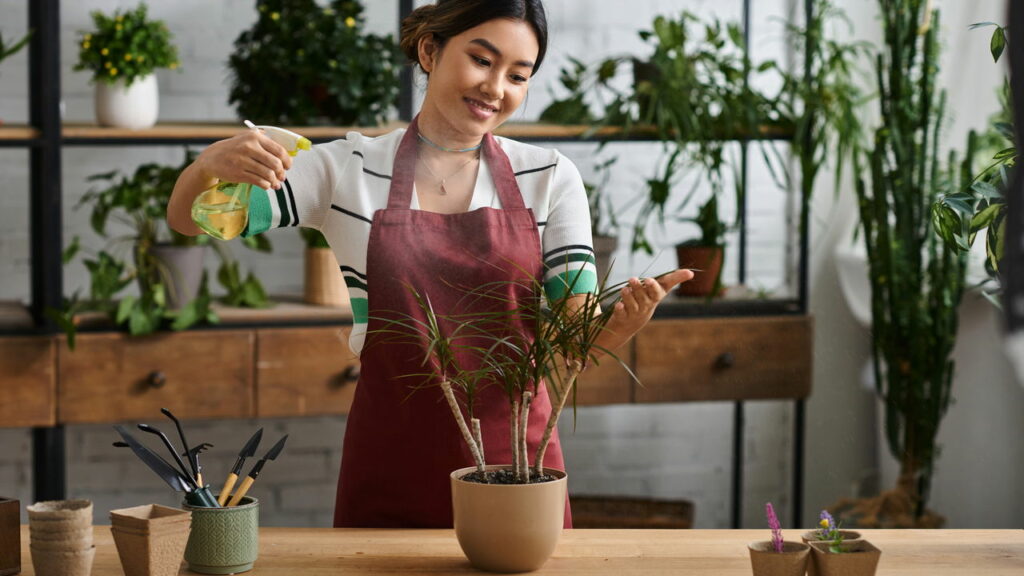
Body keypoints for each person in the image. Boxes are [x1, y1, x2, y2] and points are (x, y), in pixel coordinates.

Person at [168, 0, 693, 528]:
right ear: (429, 50)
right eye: (481, 60)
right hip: (391, 454)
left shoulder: (550, 176)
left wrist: (626, 322)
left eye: (518, 75)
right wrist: (207, 165)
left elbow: (574, 342)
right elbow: (192, 220)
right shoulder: (345, 169)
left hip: (517, 464)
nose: (495, 87)